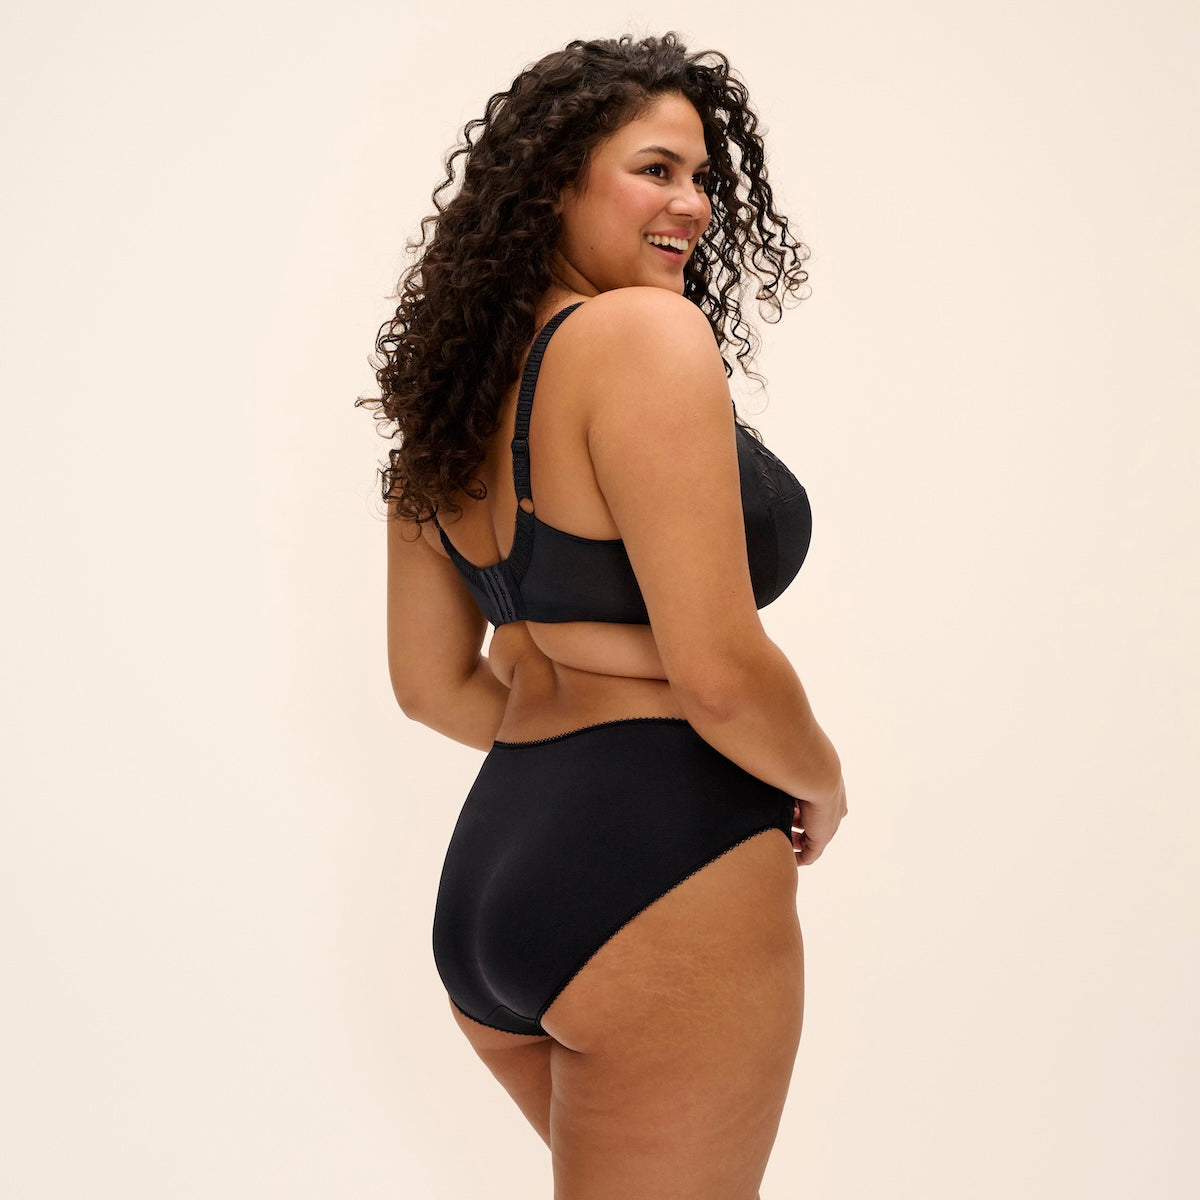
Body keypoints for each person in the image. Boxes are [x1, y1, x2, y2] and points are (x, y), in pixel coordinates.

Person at [357, 31, 848, 1199]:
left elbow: (432, 686)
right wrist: (819, 781)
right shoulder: (643, 336)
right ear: (553, 183)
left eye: (702, 178)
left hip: (496, 876)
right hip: (660, 867)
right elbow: (720, 670)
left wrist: (576, 717)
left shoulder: (448, 398)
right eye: (655, 169)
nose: (695, 205)